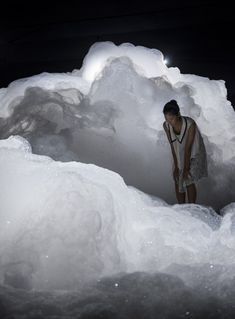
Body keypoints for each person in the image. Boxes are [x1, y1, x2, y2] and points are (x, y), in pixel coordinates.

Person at [162, 99, 208, 204]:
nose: (169, 121)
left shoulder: (190, 124)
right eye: (166, 118)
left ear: (178, 114)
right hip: (179, 150)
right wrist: (176, 166)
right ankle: (181, 208)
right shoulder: (166, 125)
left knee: (188, 178)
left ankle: (192, 207)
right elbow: (172, 146)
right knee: (177, 177)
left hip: (194, 152)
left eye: (171, 118)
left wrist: (186, 168)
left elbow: (188, 149)